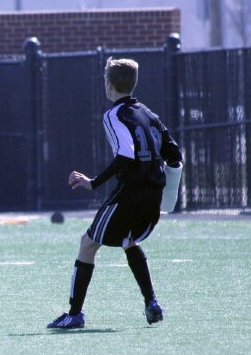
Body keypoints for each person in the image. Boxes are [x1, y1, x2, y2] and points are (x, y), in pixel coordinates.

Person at [48, 57, 183, 329]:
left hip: (129, 194)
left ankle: (74, 314)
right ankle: (151, 303)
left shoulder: (113, 115)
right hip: (152, 195)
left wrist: (93, 182)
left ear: (109, 85)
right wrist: (167, 192)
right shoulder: (150, 114)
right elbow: (175, 155)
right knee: (128, 240)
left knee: (88, 243)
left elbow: (125, 153)